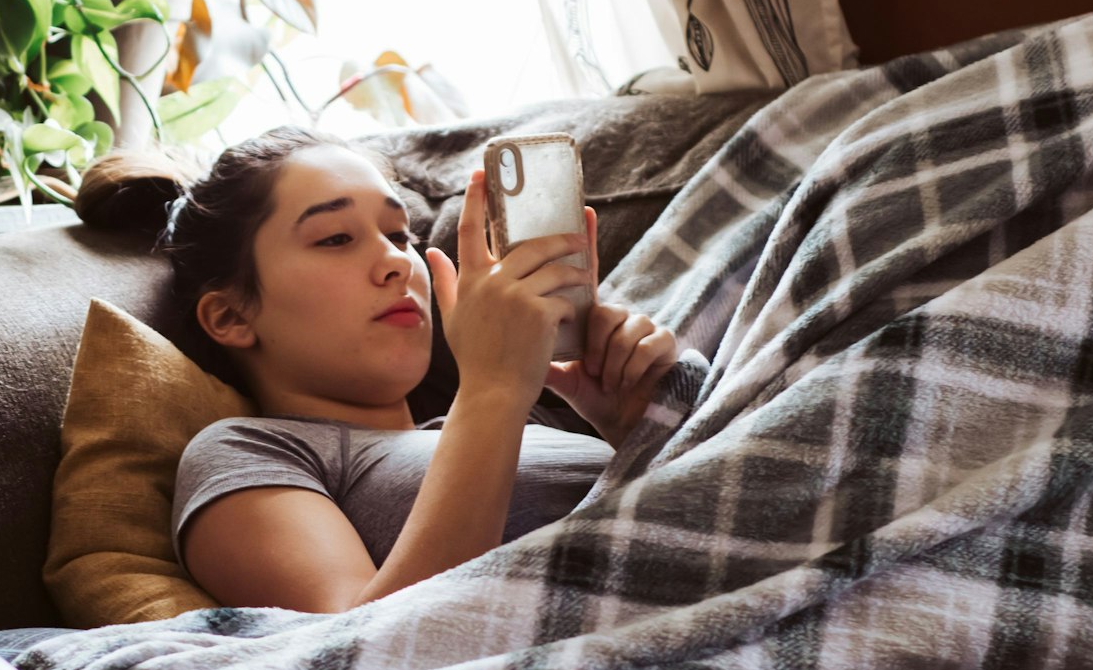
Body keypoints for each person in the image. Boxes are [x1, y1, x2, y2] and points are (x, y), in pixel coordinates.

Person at [74, 127, 680, 613]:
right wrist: (492, 392)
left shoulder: (540, 408)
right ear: (231, 314)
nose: (395, 261)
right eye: (336, 238)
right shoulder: (249, 452)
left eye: (399, 233)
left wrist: (636, 424)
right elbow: (364, 648)